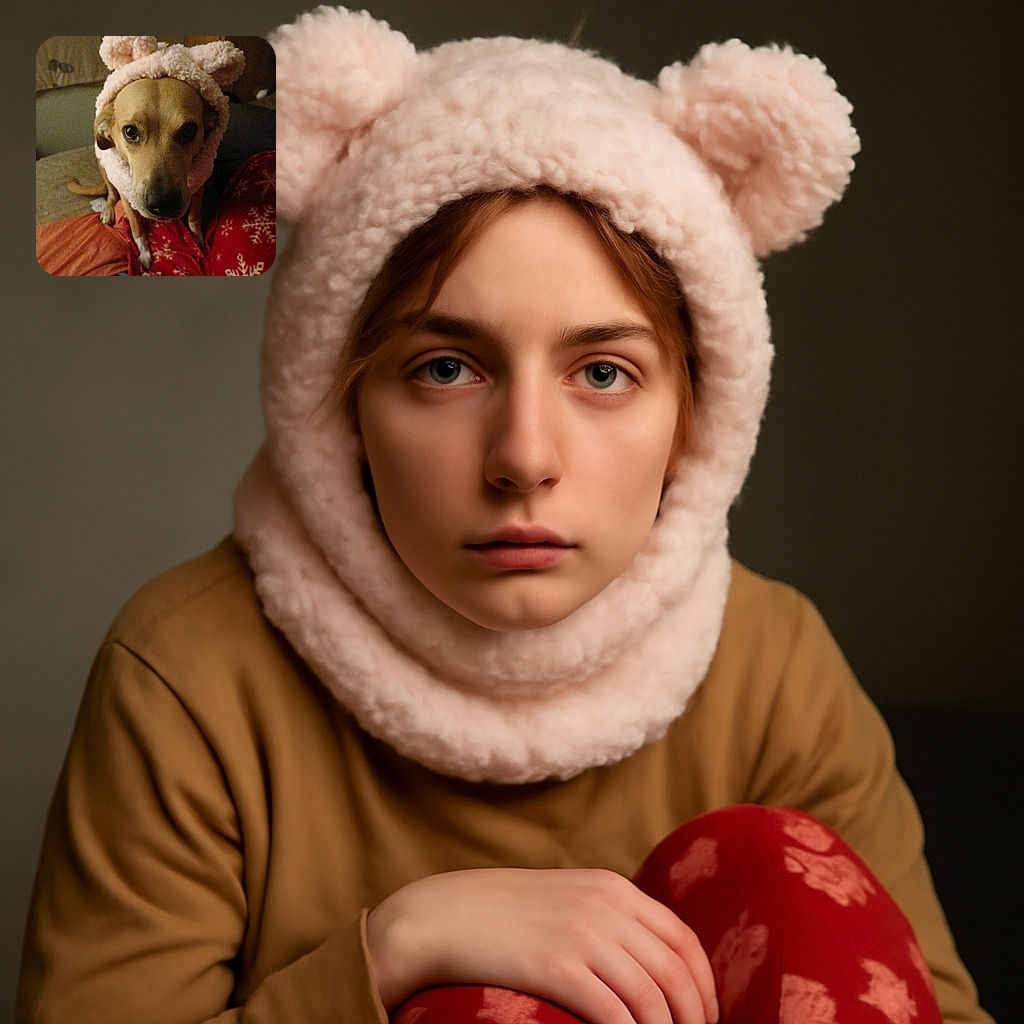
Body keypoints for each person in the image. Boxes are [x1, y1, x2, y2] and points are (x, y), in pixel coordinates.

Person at [16, 7, 993, 1024]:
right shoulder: (188, 675)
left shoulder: (771, 665)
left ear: (698, 415)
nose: (525, 457)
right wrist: (397, 948)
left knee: (780, 868)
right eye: (445, 368)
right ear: (337, 402)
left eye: (604, 372)